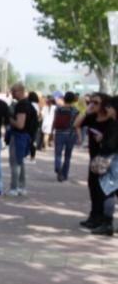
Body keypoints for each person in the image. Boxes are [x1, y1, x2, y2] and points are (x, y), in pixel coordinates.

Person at [75, 93, 110, 228]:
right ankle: (94, 215)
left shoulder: (111, 120)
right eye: (91, 102)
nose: (93, 105)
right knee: (93, 187)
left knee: (104, 190)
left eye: (96, 103)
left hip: (107, 159)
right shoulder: (92, 118)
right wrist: (86, 110)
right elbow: (76, 124)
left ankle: (103, 218)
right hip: (94, 158)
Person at [88, 96, 118, 235]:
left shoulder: (115, 124)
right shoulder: (112, 122)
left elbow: (111, 145)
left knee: (108, 191)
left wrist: (103, 140)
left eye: (109, 107)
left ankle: (107, 223)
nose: (107, 109)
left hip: (113, 161)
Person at [6, 82, 39, 196]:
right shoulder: (29, 104)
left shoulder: (21, 105)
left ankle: (14, 188)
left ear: (19, 91)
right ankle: (21, 186)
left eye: (13, 91)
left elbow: (20, 124)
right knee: (20, 162)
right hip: (26, 137)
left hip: (18, 136)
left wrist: (9, 119)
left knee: (15, 163)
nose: (12, 93)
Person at [52, 91, 80, 181]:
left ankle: (58, 168)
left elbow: (55, 121)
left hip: (59, 134)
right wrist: (79, 136)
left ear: (64, 99)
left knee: (58, 154)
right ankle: (64, 174)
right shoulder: (75, 111)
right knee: (68, 156)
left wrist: (52, 131)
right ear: (73, 100)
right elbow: (77, 125)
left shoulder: (58, 109)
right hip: (71, 135)